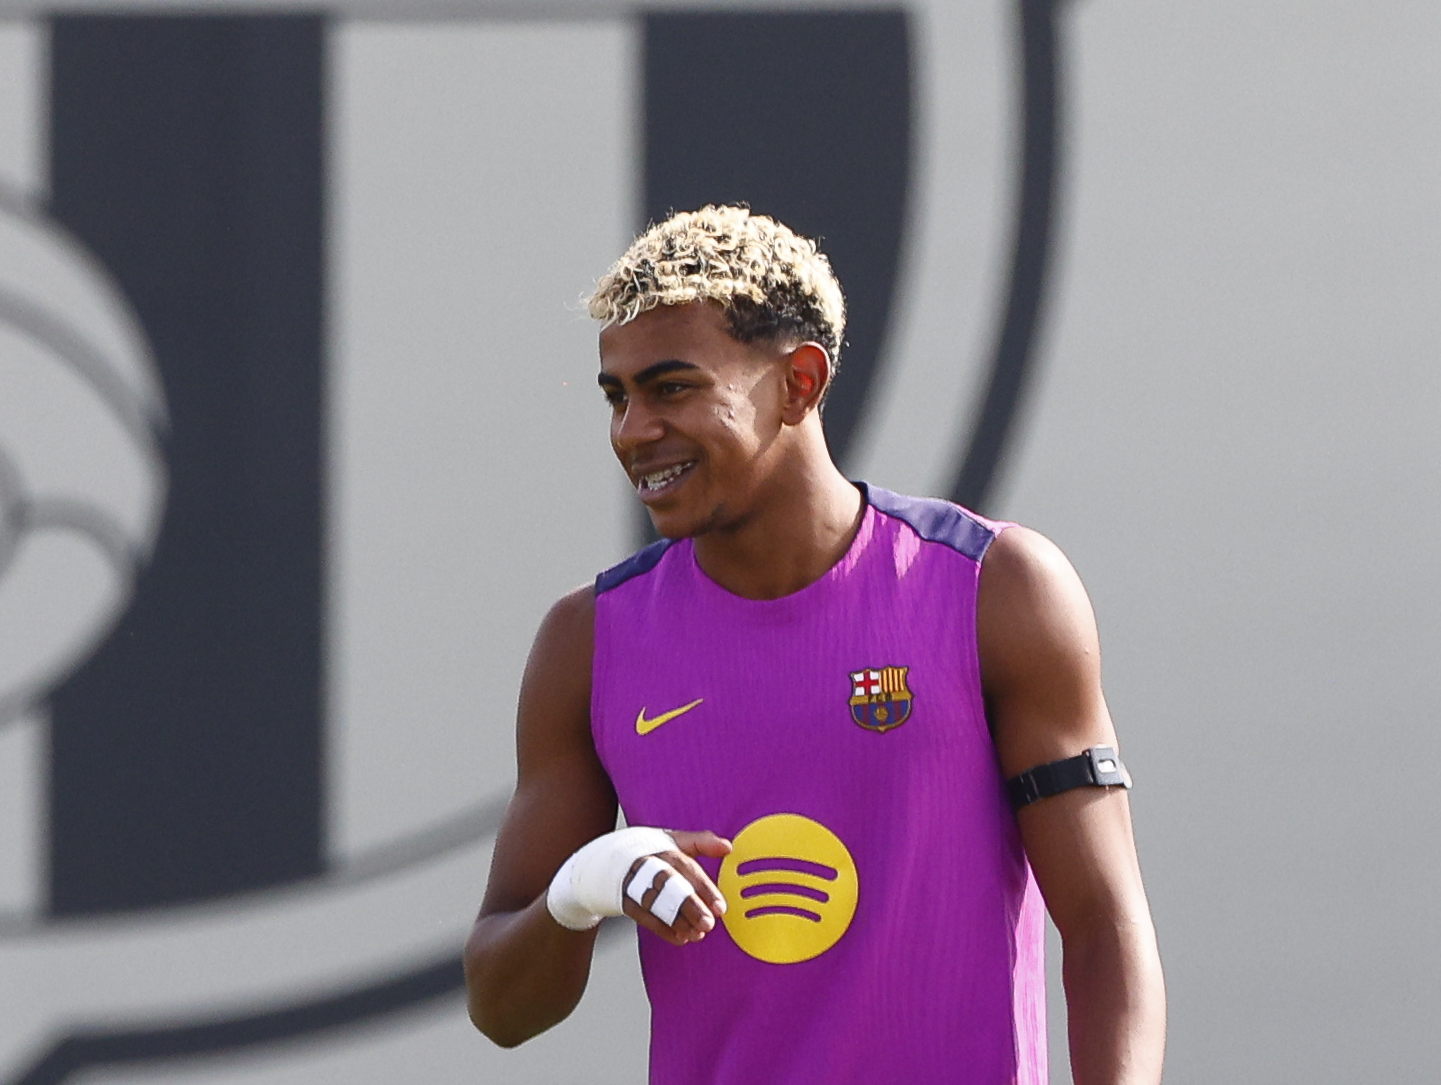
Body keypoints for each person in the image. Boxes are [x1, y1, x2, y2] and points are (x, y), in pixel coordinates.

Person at [459, 206, 1164, 1083]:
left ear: (799, 381)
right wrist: (583, 887)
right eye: (618, 394)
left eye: (672, 387)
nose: (632, 430)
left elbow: (1105, 926)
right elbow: (501, 1006)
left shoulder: (996, 589)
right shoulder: (586, 642)